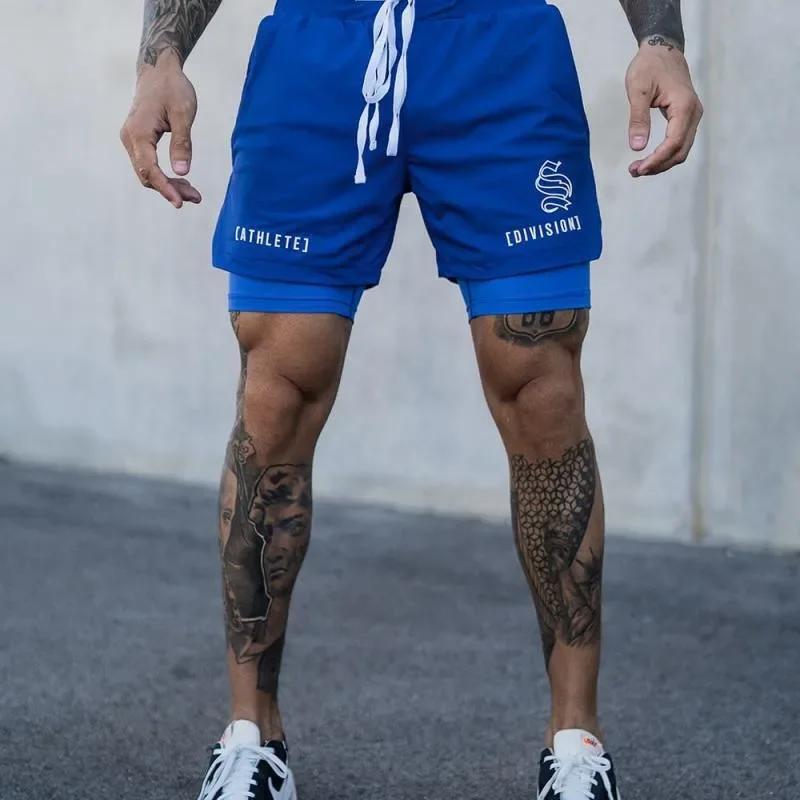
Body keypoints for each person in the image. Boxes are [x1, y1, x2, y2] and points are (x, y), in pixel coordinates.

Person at [120, 0, 702, 797]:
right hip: (321, 53)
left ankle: (576, 744)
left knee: (541, 389)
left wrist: (660, 39)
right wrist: (160, 57)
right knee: (276, 393)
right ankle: (253, 738)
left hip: (497, 51)